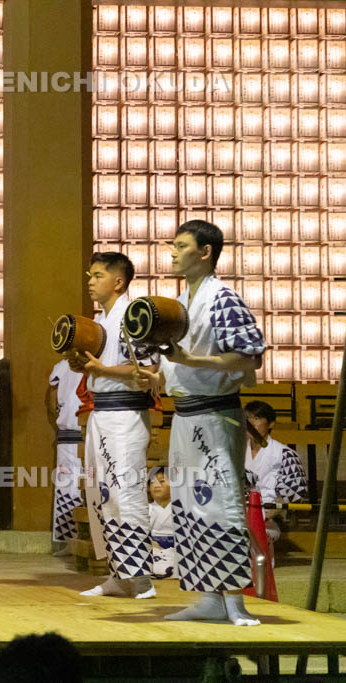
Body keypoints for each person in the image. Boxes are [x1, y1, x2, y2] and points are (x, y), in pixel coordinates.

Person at [136, 220, 267, 626]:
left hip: (215, 415)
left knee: (222, 504)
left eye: (181, 246)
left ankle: (235, 601)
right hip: (185, 416)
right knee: (189, 506)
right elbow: (179, 364)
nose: (172, 253)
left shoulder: (222, 297)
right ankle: (210, 598)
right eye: (172, 246)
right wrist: (158, 378)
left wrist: (193, 362)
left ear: (205, 252)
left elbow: (250, 356)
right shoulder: (178, 302)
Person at [77, 252, 157, 600]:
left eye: (97, 275)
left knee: (126, 493)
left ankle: (141, 580)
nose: (90, 281)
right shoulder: (101, 321)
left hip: (126, 414)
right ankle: (118, 574)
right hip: (101, 414)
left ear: (118, 282)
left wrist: (101, 370)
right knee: (101, 495)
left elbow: (147, 369)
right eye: (90, 275)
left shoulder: (134, 315)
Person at [243, 400, 307, 545]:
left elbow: (292, 492)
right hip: (237, 514)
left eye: (257, 418)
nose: (251, 423)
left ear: (271, 423)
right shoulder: (235, 452)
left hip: (267, 517)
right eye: (247, 419)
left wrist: (264, 516)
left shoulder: (285, 454)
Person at [47, 359, 84, 555]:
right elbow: (53, 403)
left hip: (88, 431)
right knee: (66, 487)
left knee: (88, 488)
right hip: (67, 433)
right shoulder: (60, 367)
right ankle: (68, 542)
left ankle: (87, 540)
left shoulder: (96, 362)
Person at [147, 467, 175, 579]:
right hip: (153, 553)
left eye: (162, 481)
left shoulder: (181, 510)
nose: (157, 485)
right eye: (152, 482)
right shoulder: (145, 510)